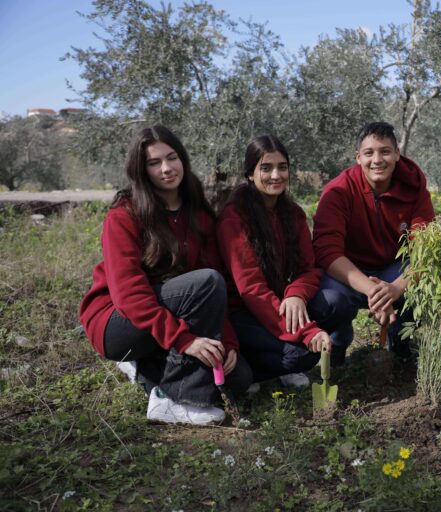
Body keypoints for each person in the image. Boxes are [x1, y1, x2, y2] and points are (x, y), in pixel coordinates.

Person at [79, 125, 251, 426]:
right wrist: (184, 340)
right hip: (117, 322)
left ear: (182, 158)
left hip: (167, 316)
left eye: (172, 158)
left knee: (239, 379)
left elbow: (216, 291)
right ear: (141, 170)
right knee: (205, 281)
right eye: (154, 162)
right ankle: (172, 400)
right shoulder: (124, 215)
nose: (166, 168)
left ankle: (145, 368)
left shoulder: (197, 214)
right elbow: (128, 295)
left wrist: (229, 341)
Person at [309, 121, 435, 365]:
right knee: (328, 300)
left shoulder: (415, 187)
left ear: (397, 154)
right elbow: (326, 251)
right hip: (347, 271)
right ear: (358, 157)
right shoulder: (338, 191)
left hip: (393, 268)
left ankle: (400, 341)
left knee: (423, 285)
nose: (377, 160)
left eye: (385, 151)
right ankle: (337, 341)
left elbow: (425, 249)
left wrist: (396, 288)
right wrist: (374, 291)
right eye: (369, 153)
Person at [216, 135, 331, 387]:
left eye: (282, 167)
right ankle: (255, 365)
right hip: (240, 313)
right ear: (249, 174)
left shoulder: (293, 214)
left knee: (329, 308)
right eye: (266, 168)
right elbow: (251, 289)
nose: (276, 175)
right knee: (303, 353)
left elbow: (308, 269)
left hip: (276, 304)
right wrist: (306, 332)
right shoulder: (234, 218)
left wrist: (296, 295)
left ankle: (267, 361)